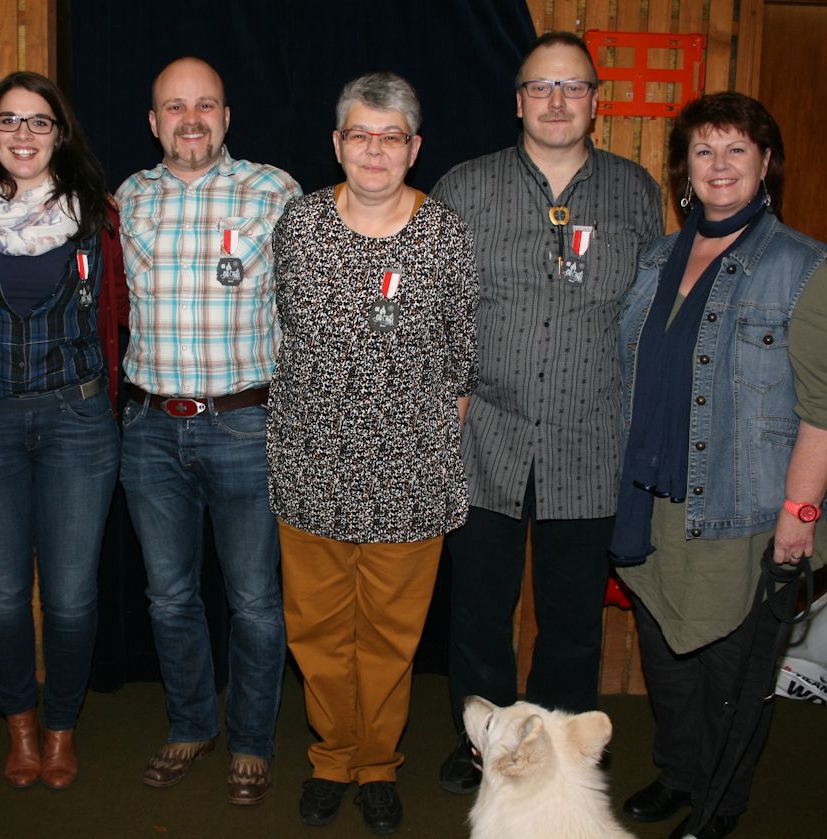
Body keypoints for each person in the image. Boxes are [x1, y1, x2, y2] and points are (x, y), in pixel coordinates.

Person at [612, 91, 827, 839]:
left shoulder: (802, 268)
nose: (719, 165)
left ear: (765, 163)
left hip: (747, 512)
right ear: (684, 169)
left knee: (732, 677)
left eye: (737, 150)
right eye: (704, 150)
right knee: (668, 659)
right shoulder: (658, 258)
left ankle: (719, 803)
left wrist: (799, 515)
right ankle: (680, 773)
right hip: (655, 505)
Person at [431, 30, 663, 794]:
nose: (556, 101)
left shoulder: (634, 191)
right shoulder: (465, 186)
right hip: (483, 436)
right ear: (518, 100)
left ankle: (559, 751)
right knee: (478, 610)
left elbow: (649, 316)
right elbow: (436, 308)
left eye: (572, 87)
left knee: (571, 617)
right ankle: (483, 747)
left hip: (591, 439)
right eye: (541, 86)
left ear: (595, 100)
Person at [268, 72, 478, 834]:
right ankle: (332, 758)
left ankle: (379, 763)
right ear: (337, 143)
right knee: (317, 632)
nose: (376, 150)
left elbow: (461, 360)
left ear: (415, 148)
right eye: (361, 134)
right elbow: (285, 331)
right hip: (311, 467)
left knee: (390, 637)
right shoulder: (299, 225)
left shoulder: (446, 235)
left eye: (392, 137)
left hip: (409, 476)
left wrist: (417, 440)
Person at [115, 56, 301, 806]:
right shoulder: (127, 198)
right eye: (174, 106)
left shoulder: (276, 191)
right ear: (153, 121)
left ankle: (252, 739)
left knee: (254, 599)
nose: (190, 119)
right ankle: (191, 722)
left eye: (205, 105)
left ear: (226, 116)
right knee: (168, 596)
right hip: (150, 428)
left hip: (245, 423)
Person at [0, 71, 126, 792]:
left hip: (76, 424)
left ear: (60, 133)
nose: (23, 134)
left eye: (39, 121)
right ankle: (19, 724)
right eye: (9, 120)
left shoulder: (98, 217)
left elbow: (125, 311)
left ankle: (60, 727)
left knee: (71, 596)